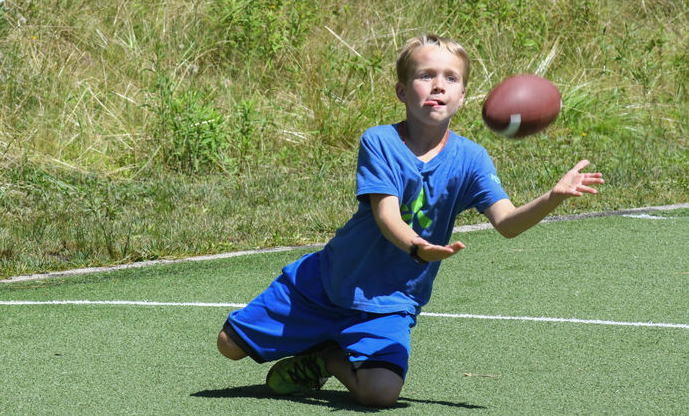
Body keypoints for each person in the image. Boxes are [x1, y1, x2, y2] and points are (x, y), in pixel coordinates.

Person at [216, 34, 604, 407]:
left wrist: (553, 198)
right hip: (327, 283)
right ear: (402, 91)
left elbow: (507, 223)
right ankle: (321, 336)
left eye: (450, 78)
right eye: (426, 76)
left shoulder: (472, 159)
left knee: (380, 394)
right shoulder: (380, 141)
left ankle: (329, 359)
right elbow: (386, 216)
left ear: (463, 96)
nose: (438, 86)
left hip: (390, 302)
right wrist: (418, 247)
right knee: (228, 345)